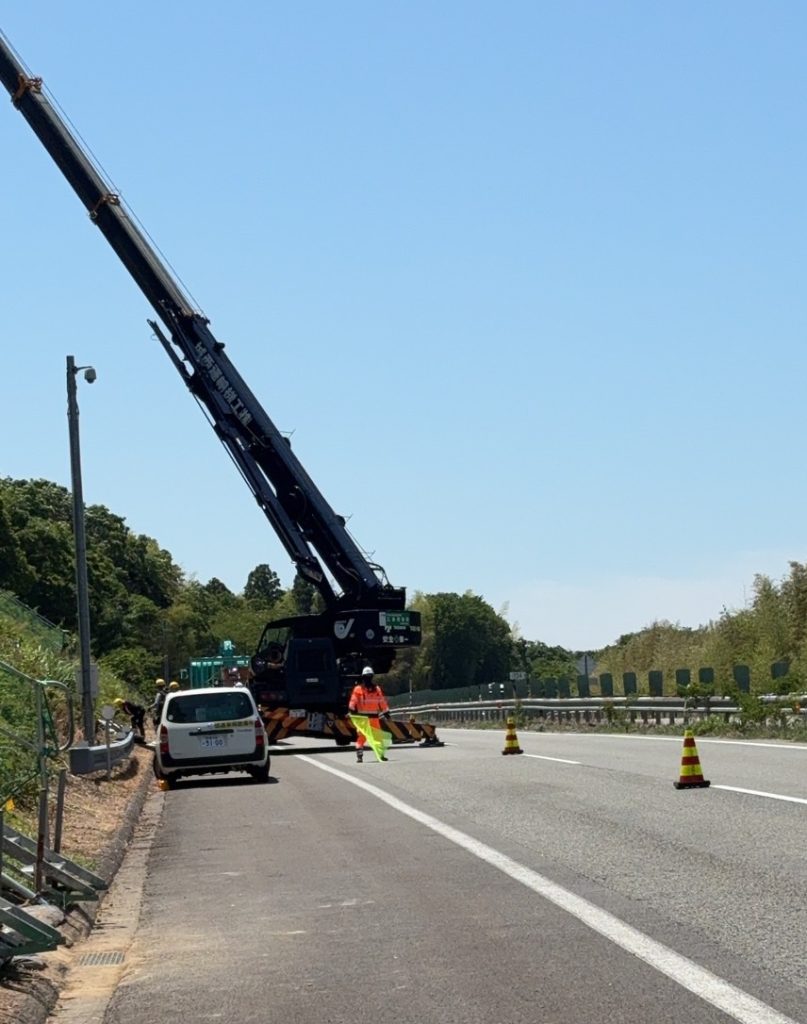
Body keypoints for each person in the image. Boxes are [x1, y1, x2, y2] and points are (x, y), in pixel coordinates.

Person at [348, 666, 390, 763]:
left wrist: (351, 710)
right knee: (377, 737)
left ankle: (360, 755)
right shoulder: (376, 689)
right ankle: (380, 755)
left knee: (362, 737)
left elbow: (353, 702)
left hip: (363, 719)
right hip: (373, 718)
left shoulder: (359, 689)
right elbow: (382, 702)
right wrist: (386, 712)